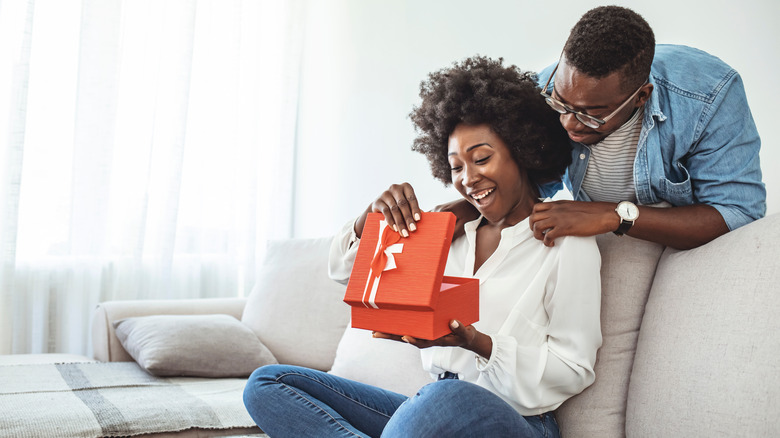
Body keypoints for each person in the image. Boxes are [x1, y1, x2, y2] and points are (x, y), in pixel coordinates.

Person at [243, 56, 602, 438]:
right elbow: (343, 274)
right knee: (268, 384)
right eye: (456, 168)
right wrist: (372, 218)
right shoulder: (448, 232)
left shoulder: (564, 243)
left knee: (447, 396)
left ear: (524, 151)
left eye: (481, 159)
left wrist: (476, 343)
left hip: (514, 420)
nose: (468, 179)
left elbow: (574, 368)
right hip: (425, 416)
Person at [446, 6, 765, 250]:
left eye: (591, 115)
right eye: (561, 102)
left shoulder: (708, 95)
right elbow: (532, 179)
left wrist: (616, 215)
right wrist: (472, 204)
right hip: (598, 239)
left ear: (641, 97)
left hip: (685, 246)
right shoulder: (540, 90)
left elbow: (738, 213)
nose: (568, 122)